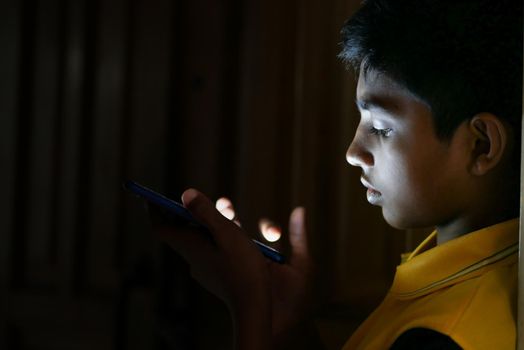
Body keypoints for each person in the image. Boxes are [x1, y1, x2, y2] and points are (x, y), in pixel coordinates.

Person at [150, 0, 522, 348]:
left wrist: (249, 303)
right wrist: (289, 324)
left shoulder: (445, 334)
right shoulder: (455, 276)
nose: (352, 153)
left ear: (481, 146)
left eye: (382, 127)